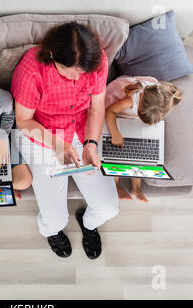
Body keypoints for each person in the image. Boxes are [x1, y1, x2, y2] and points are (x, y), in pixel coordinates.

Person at [11, 22, 119, 259]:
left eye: (81, 72)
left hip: (81, 130)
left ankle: (88, 224)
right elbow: (24, 122)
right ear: (52, 56)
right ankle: (52, 231)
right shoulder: (32, 70)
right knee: (54, 220)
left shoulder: (96, 60)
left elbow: (96, 108)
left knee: (109, 207)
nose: (75, 77)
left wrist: (91, 143)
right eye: (68, 70)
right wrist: (58, 145)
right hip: (40, 134)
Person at [105, 75, 183, 202]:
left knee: (140, 154)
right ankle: (116, 184)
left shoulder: (157, 94)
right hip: (113, 112)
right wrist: (115, 134)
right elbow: (109, 112)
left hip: (130, 118)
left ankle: (136, 187)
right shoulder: (131, 100)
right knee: (115, 152)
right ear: (140, 101)